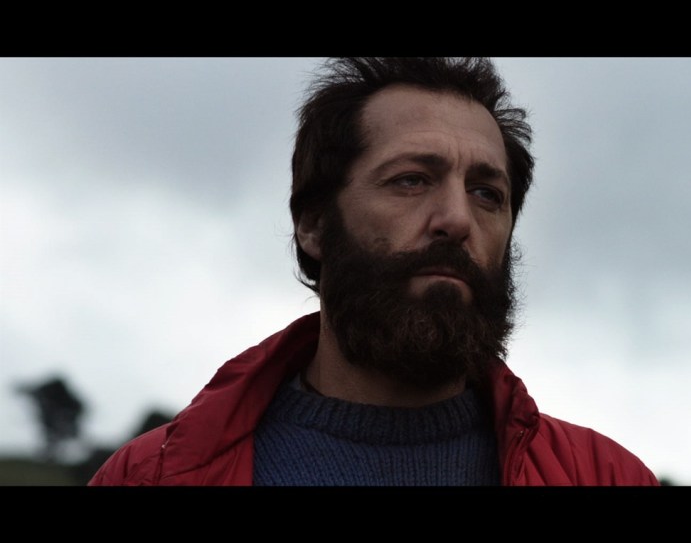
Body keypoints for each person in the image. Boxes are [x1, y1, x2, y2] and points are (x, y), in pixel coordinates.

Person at [89, 57, 659, 486]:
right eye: (411, 179)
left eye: (487, 193)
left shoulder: (605, 476)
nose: (457, 219)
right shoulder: (149, 477)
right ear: (314, 225)